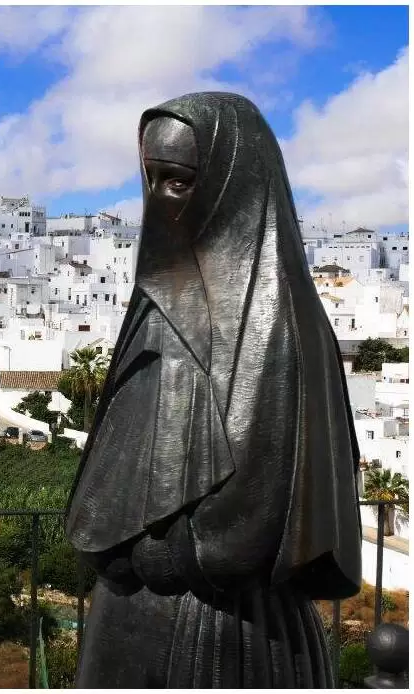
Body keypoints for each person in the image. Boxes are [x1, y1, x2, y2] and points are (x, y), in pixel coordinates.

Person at [64, 92, 362, 688]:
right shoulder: (158, 304)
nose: (159, 201)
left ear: (235, 184)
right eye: (150, 181)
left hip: (222, 632)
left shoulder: (279, 321)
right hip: (131, 614)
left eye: (177, 182)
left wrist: (172, 555)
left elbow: (263, 492)